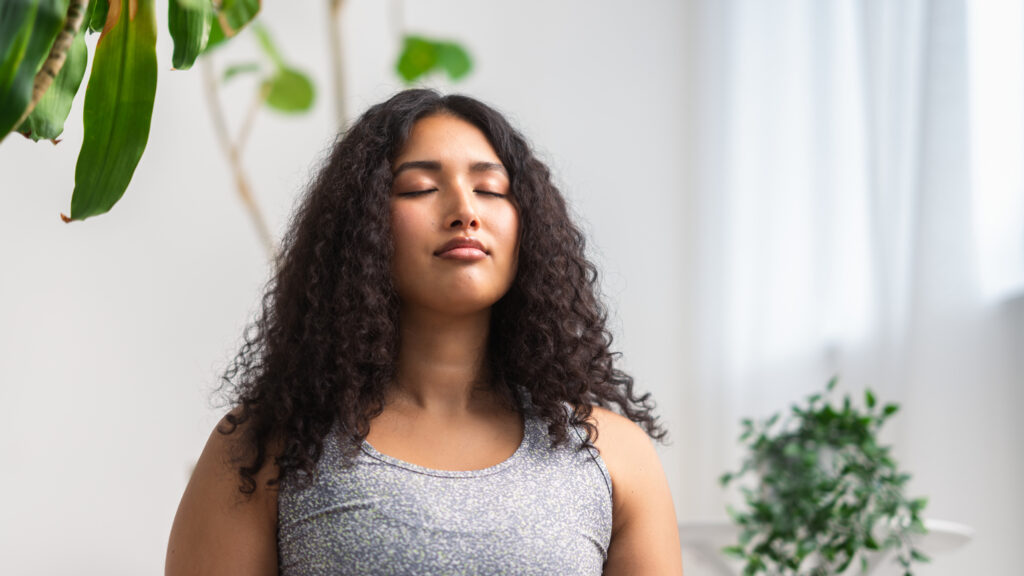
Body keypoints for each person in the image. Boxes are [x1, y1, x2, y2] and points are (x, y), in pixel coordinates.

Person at [165, 89, 683, 575]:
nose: (465, 212)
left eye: (490, 189)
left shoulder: (612, 456)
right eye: (420, 188)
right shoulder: (268, 446)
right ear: (361, 225)